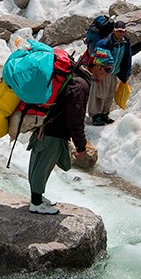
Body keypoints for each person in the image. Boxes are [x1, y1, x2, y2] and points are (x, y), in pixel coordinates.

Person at [26, 59, 94, 214]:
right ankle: (36, 203)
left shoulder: (71, 77)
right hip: (54, 132)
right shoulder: (81, 86)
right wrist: (81, 146)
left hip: (44, 126)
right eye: (108, 68)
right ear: (98, 68)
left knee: (39, 164)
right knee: (43, 166)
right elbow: (76, 118)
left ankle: (37, 198)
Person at [87, 21, 132, 125]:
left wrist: (126, 73)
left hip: (114, 73)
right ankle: (95, 115)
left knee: (109, 94)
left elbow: (128, 58)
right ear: (114, 30)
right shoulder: (104, 43)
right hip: (102, 73)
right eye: (118, 31)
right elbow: (97, 61)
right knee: (98, 94)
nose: (120, 33)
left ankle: (104, 114)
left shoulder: (126, 43)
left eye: (122, 31)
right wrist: (98, 76)